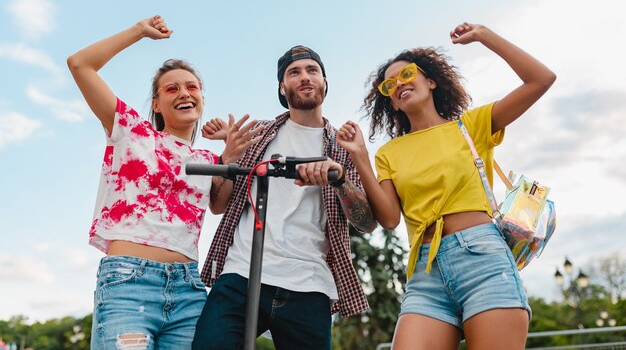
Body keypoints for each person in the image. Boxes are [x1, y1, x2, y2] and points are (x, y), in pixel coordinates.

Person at [336, 23, 557, 350]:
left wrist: (484, 35)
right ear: (392, 103)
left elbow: (541, 79)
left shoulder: (472, 125)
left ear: (431, 81)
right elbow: (389, 219)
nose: (399, 84)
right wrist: (360, 158)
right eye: (390, 85)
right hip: (426, 273)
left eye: (407, 74)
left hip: (482, 259)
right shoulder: (389, 153)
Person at [67, 15, 261, 350]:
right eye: (172, 88)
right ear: (156, 104)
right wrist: (139, 32)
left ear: (201, 97)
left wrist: (228, 158)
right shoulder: (131, 132)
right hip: (130, 281)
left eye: (192, 87)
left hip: (188, 290)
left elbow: (218, 205)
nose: (184, 93)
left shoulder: (207, 159)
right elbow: (80, 64)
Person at [191, 45, 378, 350]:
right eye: (294, 72)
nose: (304, 77)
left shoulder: (343, 148)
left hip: (309, 284)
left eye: (312, 70)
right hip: (241, 275)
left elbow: (367, 222)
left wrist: (340, 179)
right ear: (282, 86)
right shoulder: (257, 135)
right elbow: (218, 205)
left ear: (325, 81)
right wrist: (228, 155)